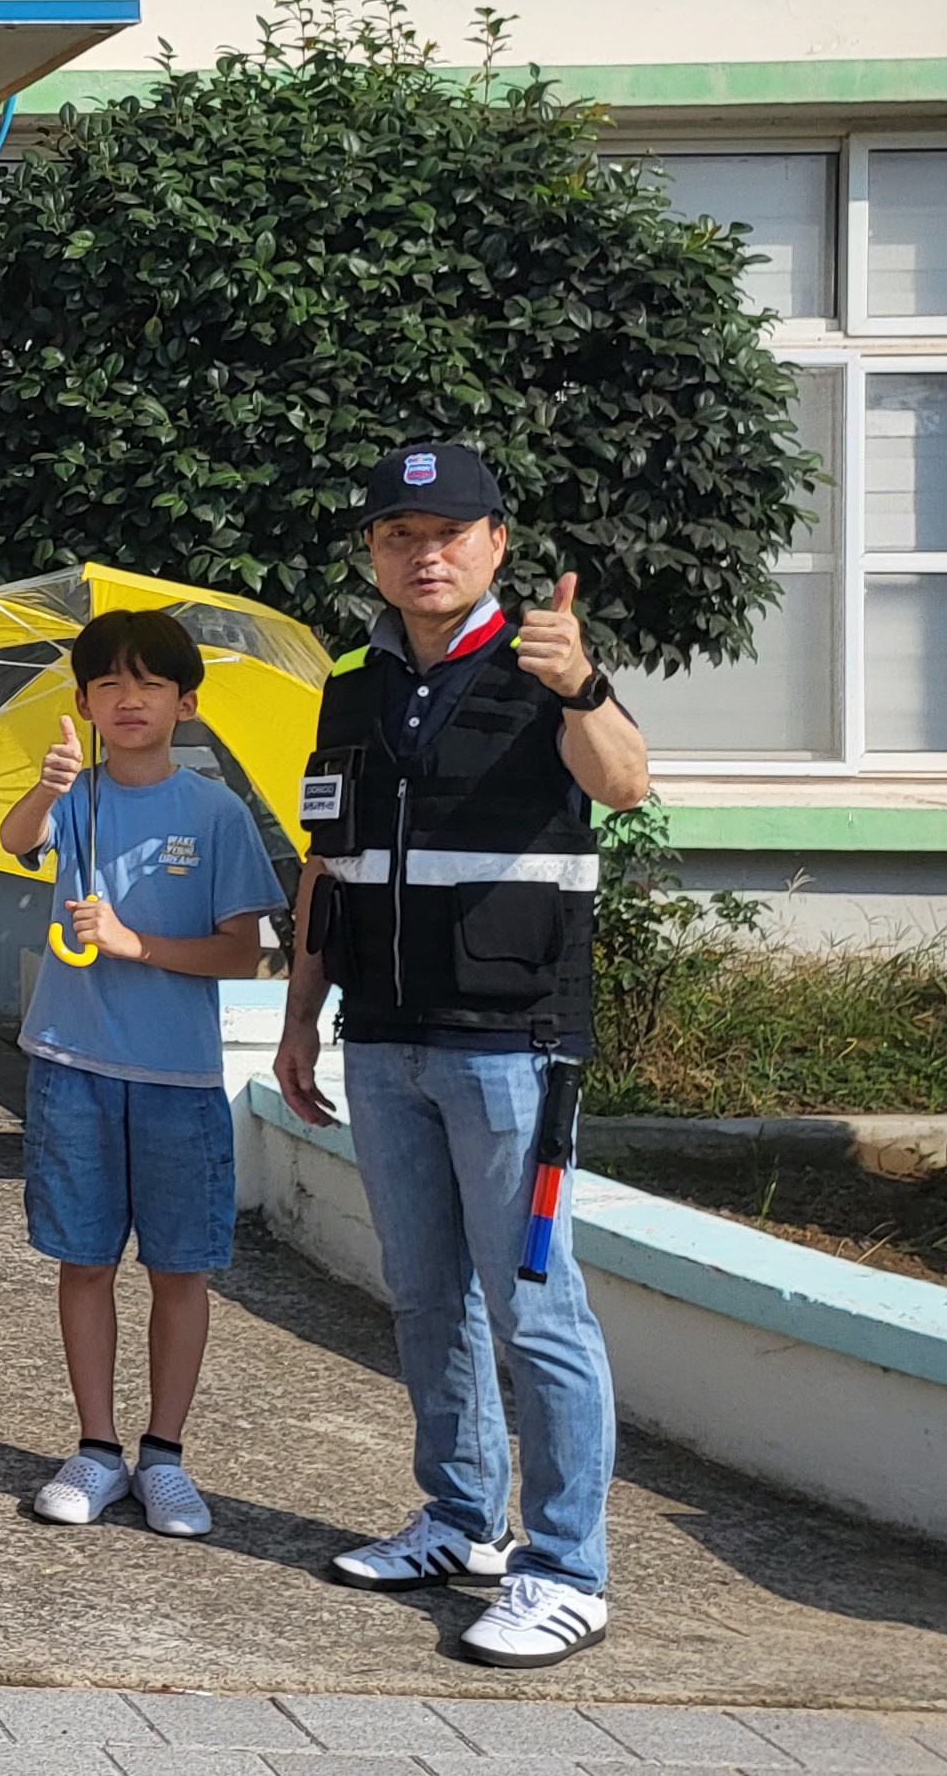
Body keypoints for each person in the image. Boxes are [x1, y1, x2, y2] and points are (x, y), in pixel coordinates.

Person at [275, 442, 650, 1670]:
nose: (423, 553)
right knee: (426, 1294)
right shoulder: (352, 683)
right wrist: (300, 1013)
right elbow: (327, 862)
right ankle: (458, 1518)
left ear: (495, 542)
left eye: (448, 532)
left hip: (513, 1044)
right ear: (372, 552)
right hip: (383, 1034)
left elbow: (627, 786)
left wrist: (582, 684)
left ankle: (566, 1568)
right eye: (399, 533)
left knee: (533, 1306)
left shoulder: (546, 667)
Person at [0, 610, 278, 1538]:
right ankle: (95, 1449)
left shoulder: (216, 812)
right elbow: (15, 840)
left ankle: (165, 1456)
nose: (128, 700)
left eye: (150, 683)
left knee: (179, 1269)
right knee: (83, 1261)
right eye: (108, 683)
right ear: (83, 702)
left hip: (176, 1079)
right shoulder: (74, 799)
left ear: (185, 704)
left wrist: (135, 944)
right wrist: (46, 788)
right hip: (71, 1065)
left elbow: (242, 953)